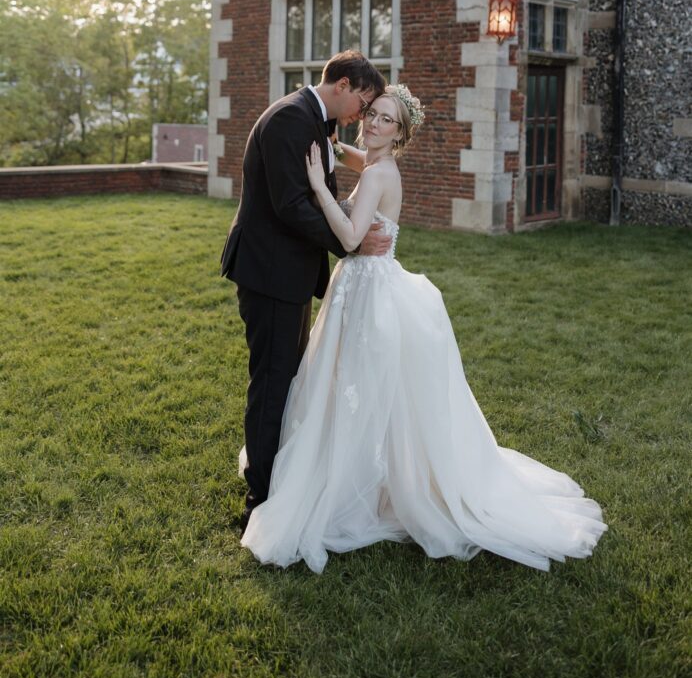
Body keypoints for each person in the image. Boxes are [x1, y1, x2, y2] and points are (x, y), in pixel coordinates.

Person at [240, 85, 608, 573]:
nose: (372, 123)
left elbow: (350, 239)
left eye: (386, 120)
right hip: (369, 290)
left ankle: (352, 484)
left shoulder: (379, 176)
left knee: (356, 390)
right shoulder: (375, 167)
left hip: (368, 293)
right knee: (360, 391)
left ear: (400, 133)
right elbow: (354, 159)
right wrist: (331, 150)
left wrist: (316, 186)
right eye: (371, 114)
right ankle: (366, 474)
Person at [221, 51, 389, 532]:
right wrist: (351, 246)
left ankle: (275, 480)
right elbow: (293, 205)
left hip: (285, 272)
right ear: (341, 84)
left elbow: (317, 194)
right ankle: (262, 497)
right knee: (273, 383)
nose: (363, 112)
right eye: (363, 99)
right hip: (270, 274)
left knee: (286, 378)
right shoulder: (291, 121)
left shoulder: (313, 120)